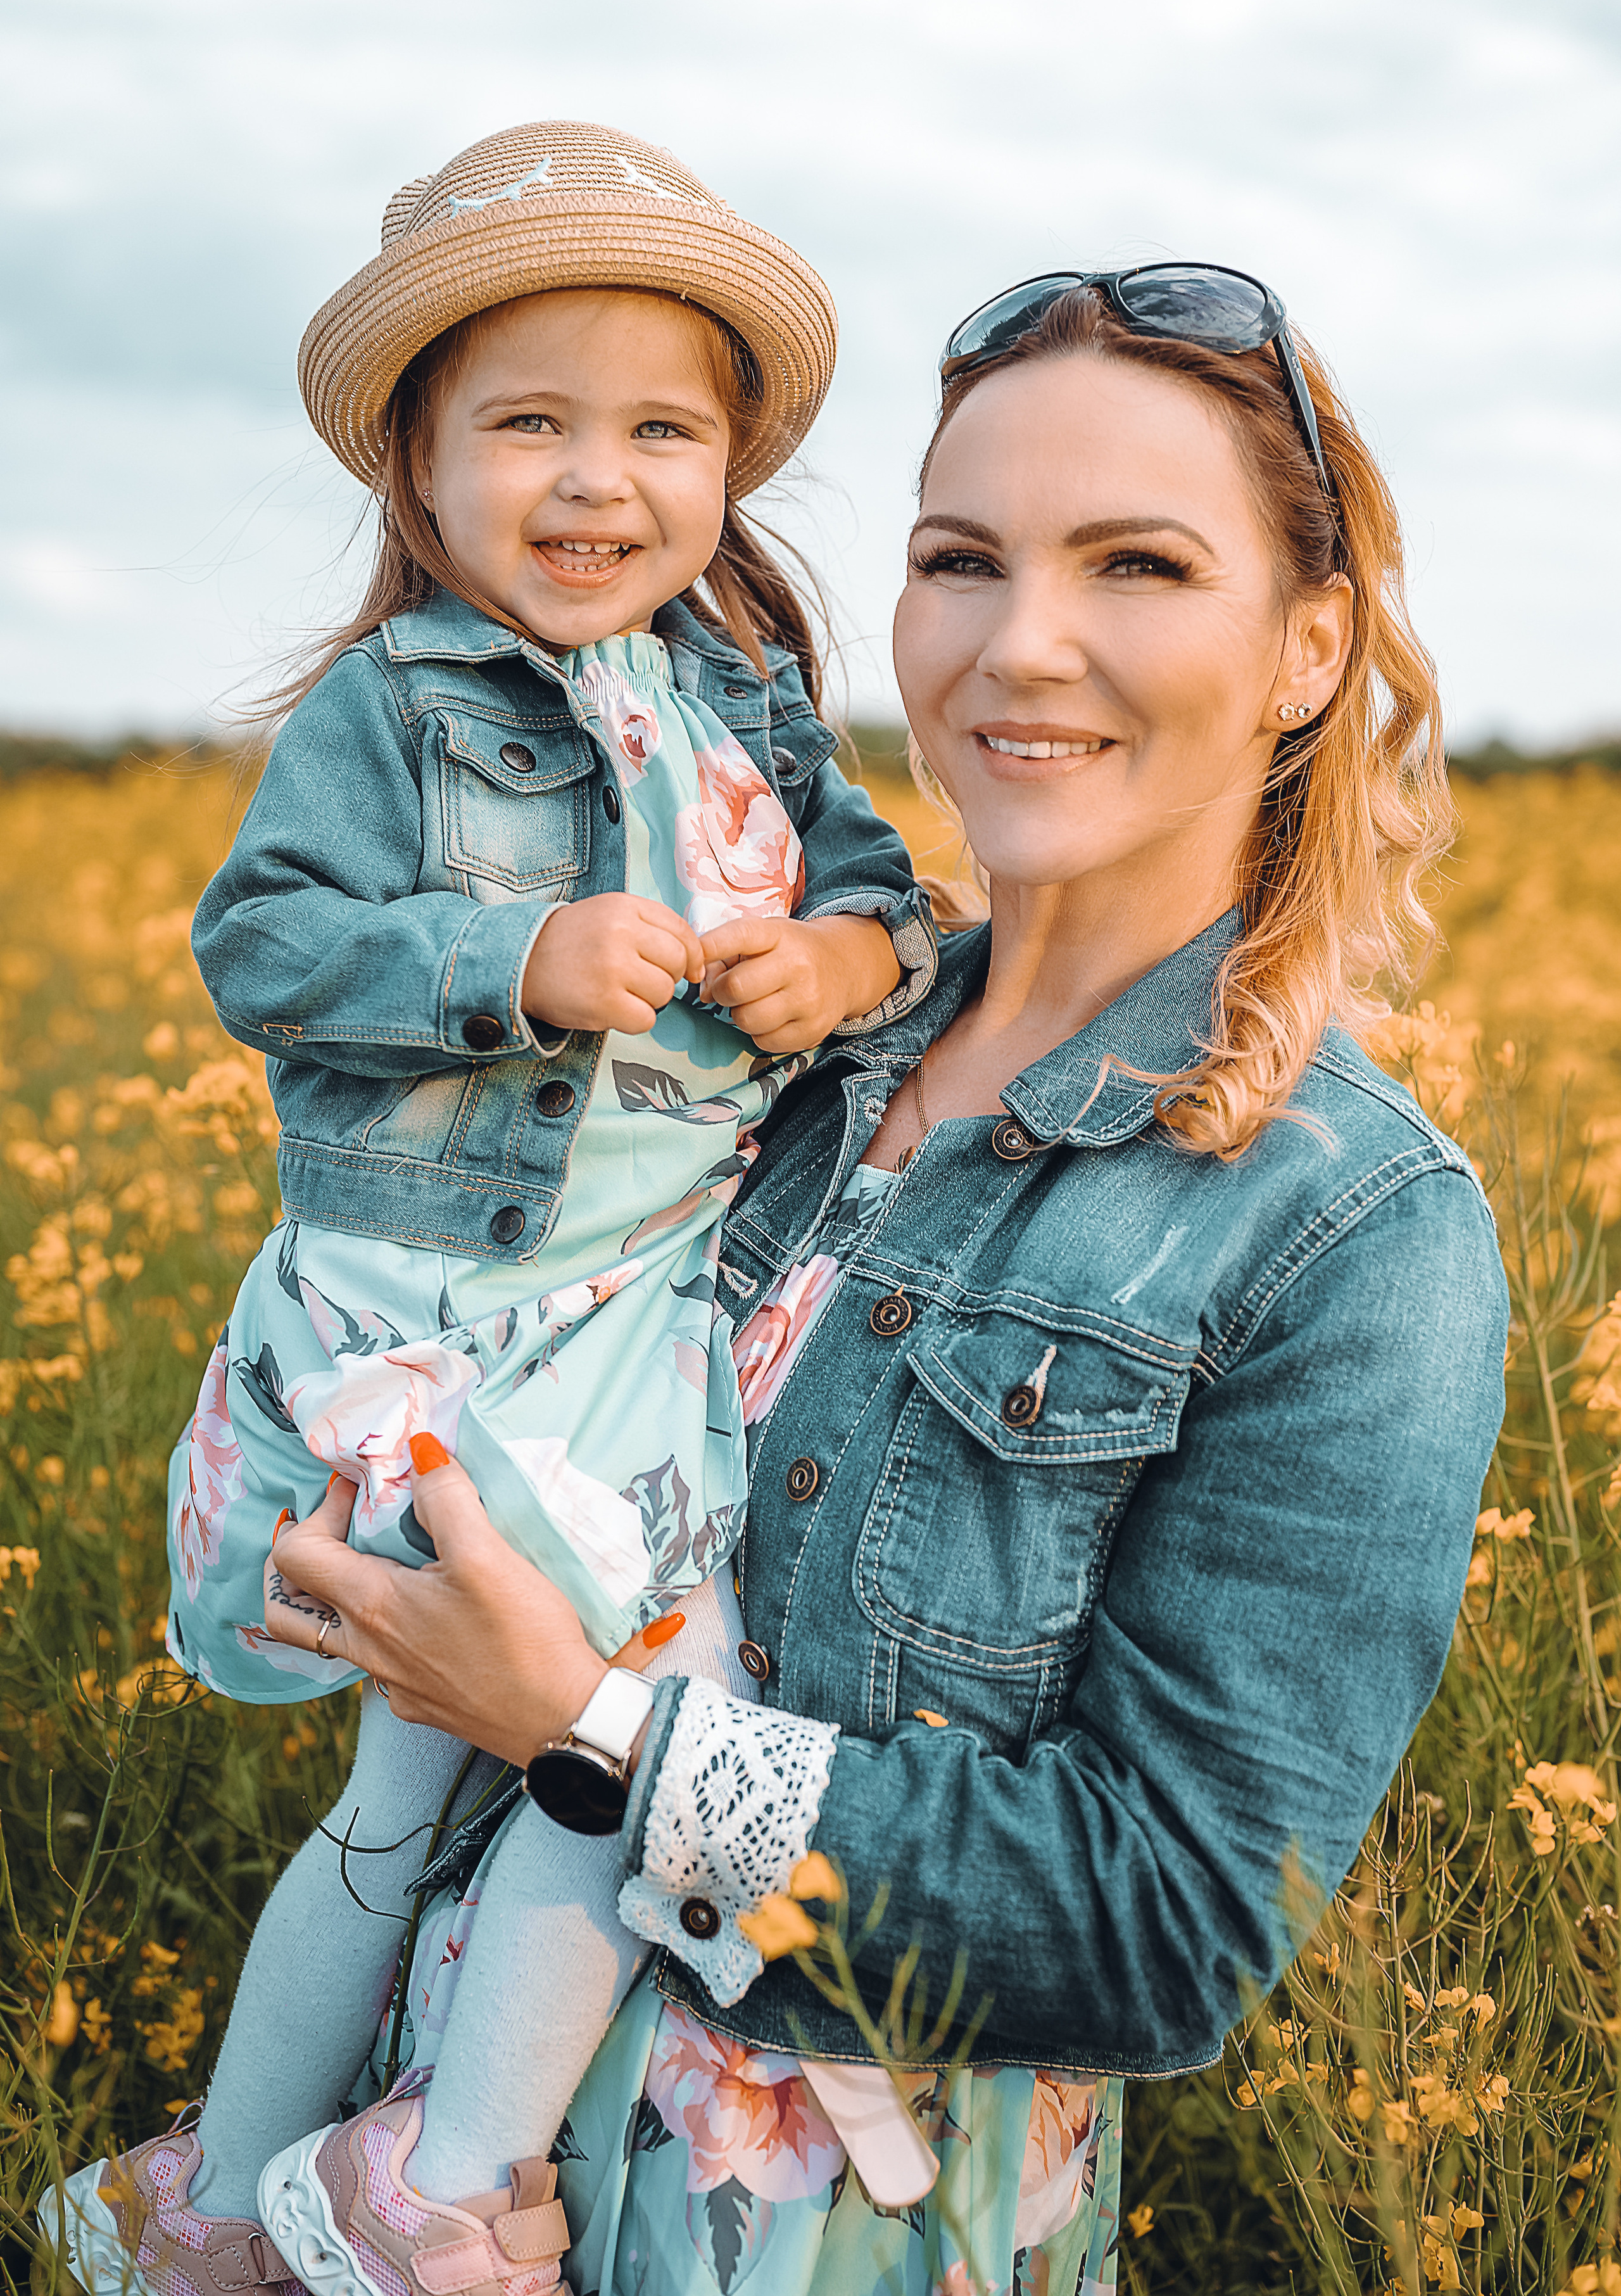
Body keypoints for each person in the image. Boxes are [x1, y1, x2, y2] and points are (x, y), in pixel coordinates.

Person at [251, 263, 1508, 2296]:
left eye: (1140, 565)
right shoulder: (771, 1055)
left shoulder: (1346, 1225)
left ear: (1306, 649)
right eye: (960, 559)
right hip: (424, 2184)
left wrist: (593, 1731)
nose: (1024, 646)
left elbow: (1168, 1927)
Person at [47, 123, 940, 2296]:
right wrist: (503, 964)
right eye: (524, 423)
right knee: (613, 1721)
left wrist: (842, 961)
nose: (593, 480)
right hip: (450, 1312)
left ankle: (217, 2210)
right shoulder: (393, 707)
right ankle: (430, 2188)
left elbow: (882, 904)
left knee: (507, 1756)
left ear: (727, 466)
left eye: (659, 428)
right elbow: (262, 947)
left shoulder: (741, 702)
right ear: (418, 474)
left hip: (645, 1313)